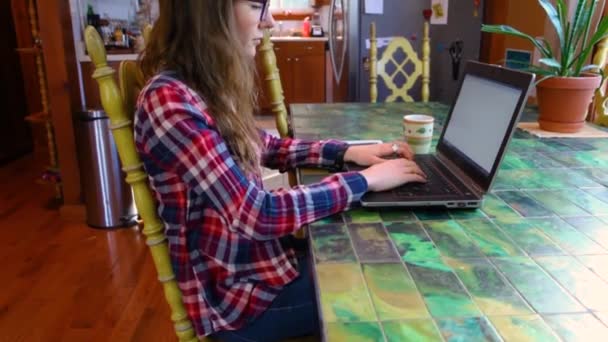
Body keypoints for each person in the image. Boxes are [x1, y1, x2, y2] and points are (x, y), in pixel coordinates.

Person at [135, 1, 426, 341]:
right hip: (238, 302)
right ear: (207, 11)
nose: (269, 21)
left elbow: (269, 147)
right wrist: (364, 181)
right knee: (396, 284)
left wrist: (347, 151)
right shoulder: (170, 102)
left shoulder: (199, 85)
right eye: (258, 6)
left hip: (259, 264)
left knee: (380, 250)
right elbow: (256, 213)